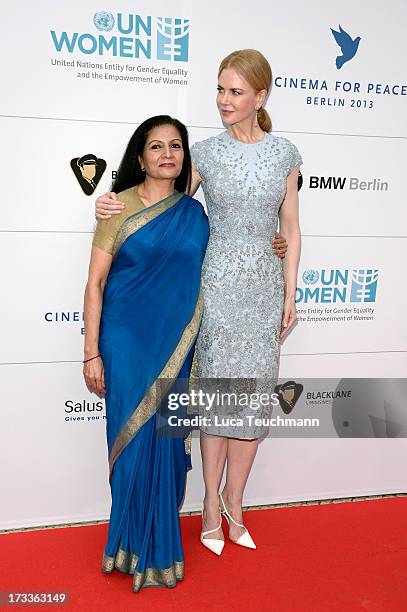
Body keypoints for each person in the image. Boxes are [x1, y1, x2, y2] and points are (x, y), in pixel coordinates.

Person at [94, 49, 301, 556]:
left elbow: (292, 228)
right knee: (217, 399)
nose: (224, 100)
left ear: (260, 97)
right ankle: (209, 504)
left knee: (250, 403)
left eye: (235, 91)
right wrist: (108, 199)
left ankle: (235, 503)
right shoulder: (204, 153)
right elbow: (161, 199)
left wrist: (290, 291)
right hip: (215, 288)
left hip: (264, 289)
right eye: (221, 89)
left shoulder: (285, 154)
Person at [83, 115, 209, 591]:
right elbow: (95, 284)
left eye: (175, 146)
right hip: (125, 341)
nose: (166, 155)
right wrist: (91, 352)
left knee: (169, 448)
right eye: (156, 147)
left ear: (184, 157)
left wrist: (275, 244)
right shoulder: (116, 208)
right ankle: (127, 544)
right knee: (133, 447)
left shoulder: (194, 215)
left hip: (178, 345)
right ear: (140, 157)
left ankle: (156, 547)